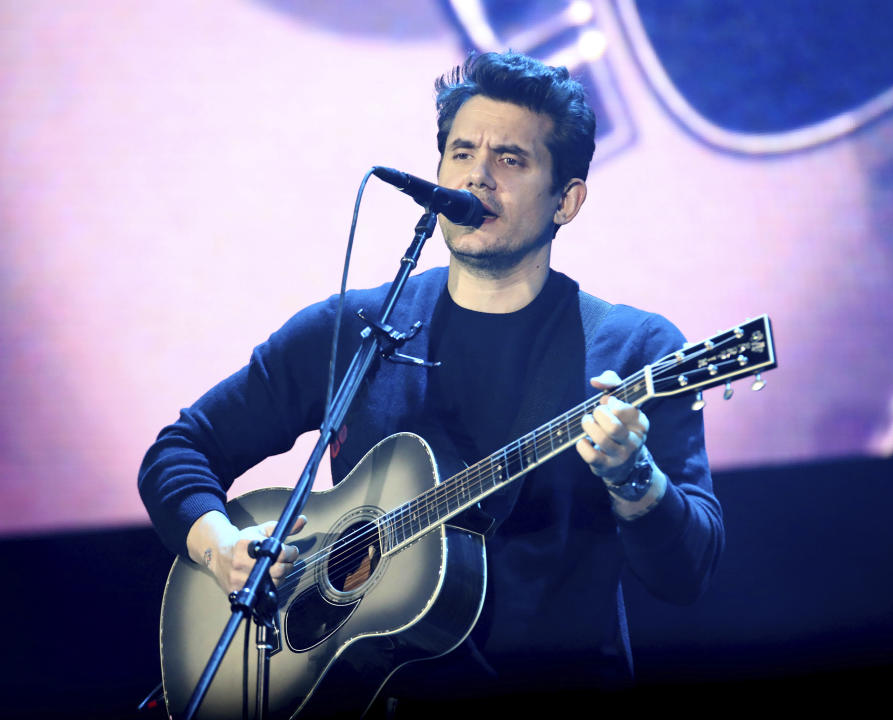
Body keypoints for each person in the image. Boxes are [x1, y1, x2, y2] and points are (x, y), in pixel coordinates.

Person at [139, 51, 723, 714]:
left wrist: (633, 477)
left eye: (511, 158)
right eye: (461, 152)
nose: (478, 175)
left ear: (568, 200)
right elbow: (179, 450)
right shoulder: (356, 326)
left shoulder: (634, 349)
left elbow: (687, 573)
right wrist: (221, 550)